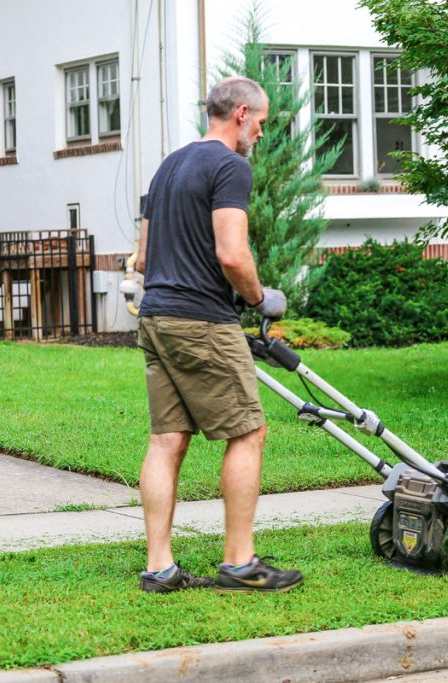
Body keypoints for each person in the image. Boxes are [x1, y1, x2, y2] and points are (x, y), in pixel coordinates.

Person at [133, 76, 302, 594]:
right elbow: (232, 254)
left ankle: (159, 568)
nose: (261, 134)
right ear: (242, 114)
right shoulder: (230, 166)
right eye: (263, 123)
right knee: (248, 432)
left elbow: (141, 259)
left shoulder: (168, 167)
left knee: (166, 440)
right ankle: (239, 562)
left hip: (156, 316)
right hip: (201, 320)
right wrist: (258, 299)